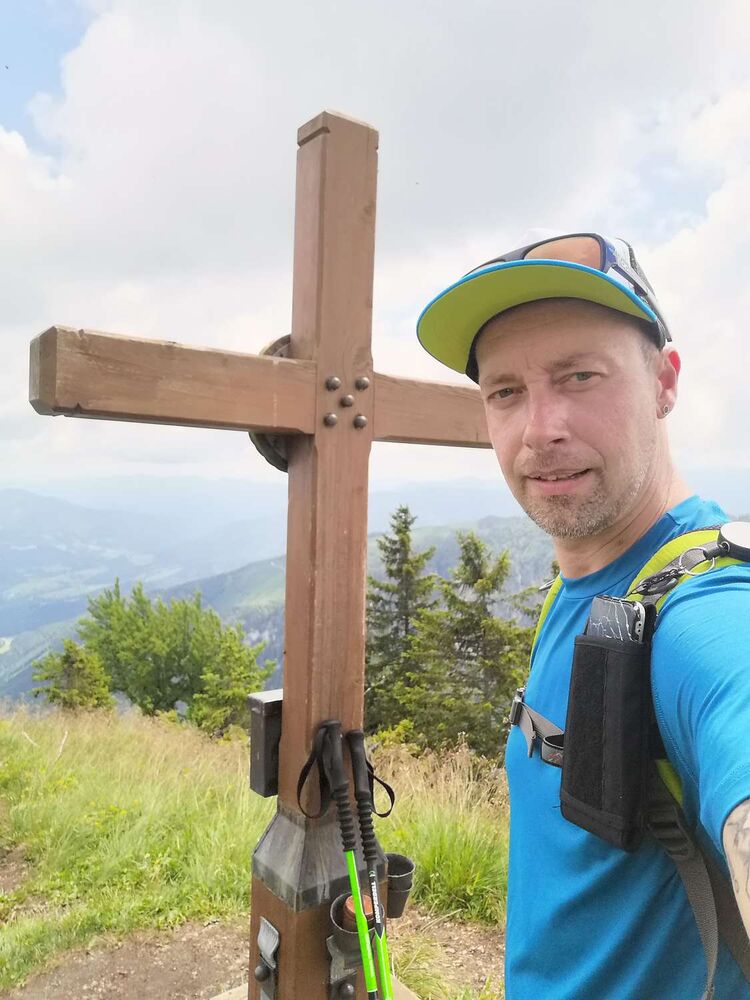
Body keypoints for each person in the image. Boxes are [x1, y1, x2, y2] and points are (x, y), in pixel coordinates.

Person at [415, 233, 750, 999]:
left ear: (665, 382)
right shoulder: (584, 581)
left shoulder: (706, 612)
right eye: (506, 391)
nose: (541, 428)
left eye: (580, 376)